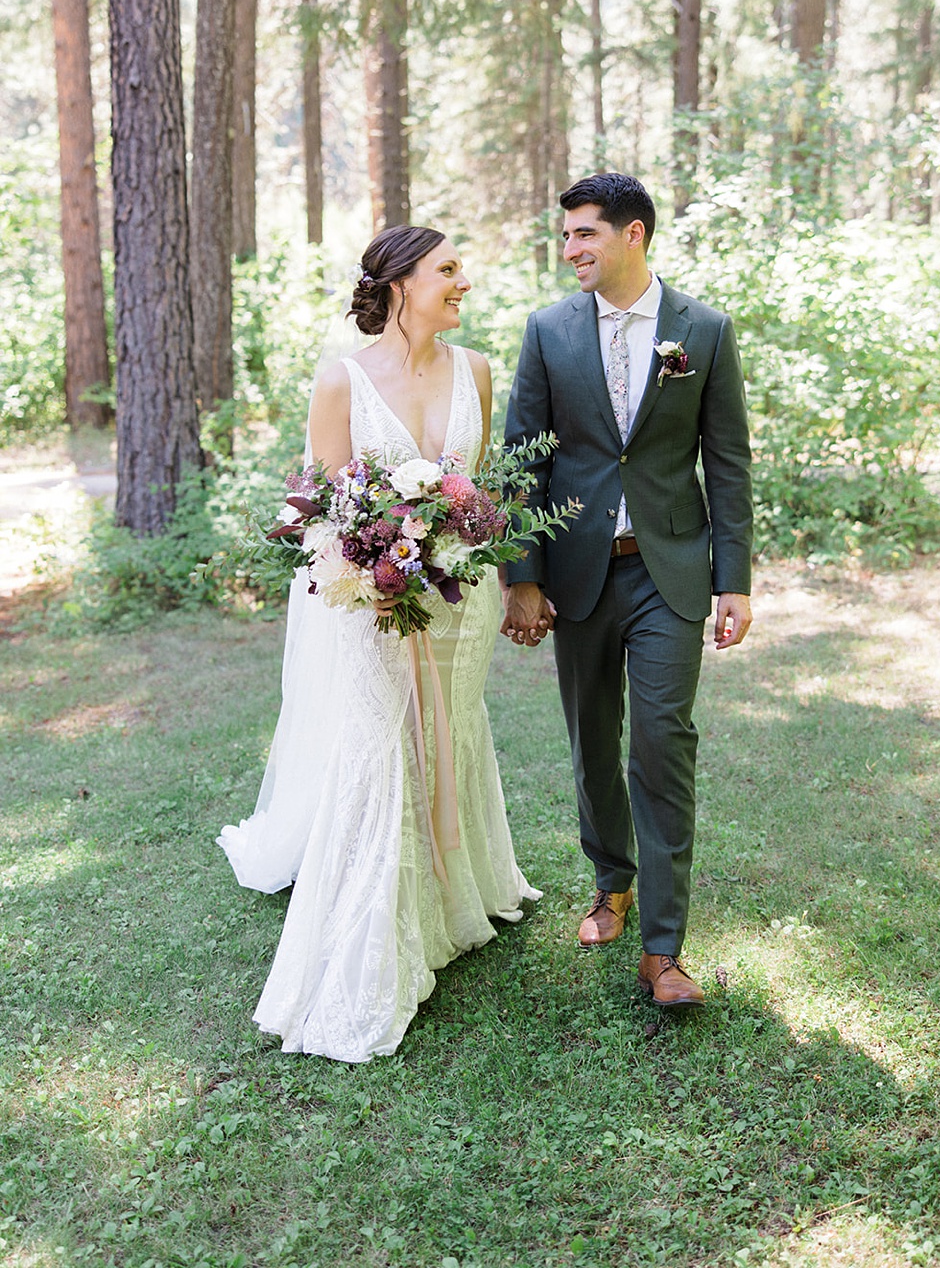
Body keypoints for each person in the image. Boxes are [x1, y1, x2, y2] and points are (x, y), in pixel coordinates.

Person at [218, 225, 539, 1062]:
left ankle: (451, 889)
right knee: (382, 747)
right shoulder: (342, 382)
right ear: (399, 282)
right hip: (372, 605)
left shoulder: (475, 370)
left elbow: (482, 489)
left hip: (461, 603)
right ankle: (376, 923)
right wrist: (372, 561)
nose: (462, 280)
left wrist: (473, 537)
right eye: (447, 268)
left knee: (450, 738)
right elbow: (319, 511)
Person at [501, 173, 752, 1009]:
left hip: (668, 571)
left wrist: (736, 582)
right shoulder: (547, 331)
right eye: (567, 235)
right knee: (591, 739)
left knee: (661, 742)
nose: (570, 249)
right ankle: (611, 877)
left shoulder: (703, 332)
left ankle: (665, 950)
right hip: (578, 574)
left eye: (584, 234)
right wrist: (523, 579)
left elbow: (727, 462)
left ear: (632, 235)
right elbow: (523, 463)